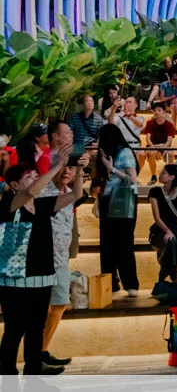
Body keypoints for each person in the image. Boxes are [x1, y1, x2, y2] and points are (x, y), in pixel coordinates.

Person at [0, 149, 82, 376]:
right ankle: (6, 369)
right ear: (15, 184)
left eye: (36, 176)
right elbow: (30, 192)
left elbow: (75, 194)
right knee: (15, 327)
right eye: (29, 177)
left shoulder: (43, 204)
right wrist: (57, 165)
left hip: (42, 274)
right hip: (14, 277)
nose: (35, 180)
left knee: (37, 325)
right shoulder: (10, 202)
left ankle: (34, 366)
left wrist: (80, 169)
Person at [40, 122, 84, 369]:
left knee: (60, 304)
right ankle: (36, 354)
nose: (65, 171)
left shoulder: (69, 191)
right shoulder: (43, 192)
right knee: (39, 308)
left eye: (68, 168)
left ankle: (43, 349)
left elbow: (78, 194)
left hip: (60, 258)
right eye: (62, 168)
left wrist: (78, 170)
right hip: (41, 257)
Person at [95, 124, 140, 296]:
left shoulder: (125, 152)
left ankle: (131, 284)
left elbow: (133, 179)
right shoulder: (106, 153)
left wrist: (112, 169)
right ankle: (110, 282)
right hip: (108, 199)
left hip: (123, 200)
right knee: (107, 244)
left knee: (124, 243)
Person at [148, 163, 177, 283]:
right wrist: (168, 231)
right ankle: (163, 275)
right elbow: (157, 218)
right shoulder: (155, 192)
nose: (160, 174)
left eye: (163, 173)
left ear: (172, 177)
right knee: (170, 241)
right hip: (161, 228)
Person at [68, 94, 105, 161]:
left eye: (91, 101)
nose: (89, 102)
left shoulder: (98, 119)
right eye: (87, 101)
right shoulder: (75, 117)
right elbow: (70, 131)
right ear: (82, 105)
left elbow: (101, 135)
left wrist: (97, 144)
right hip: (77, 145)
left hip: (91, 147)